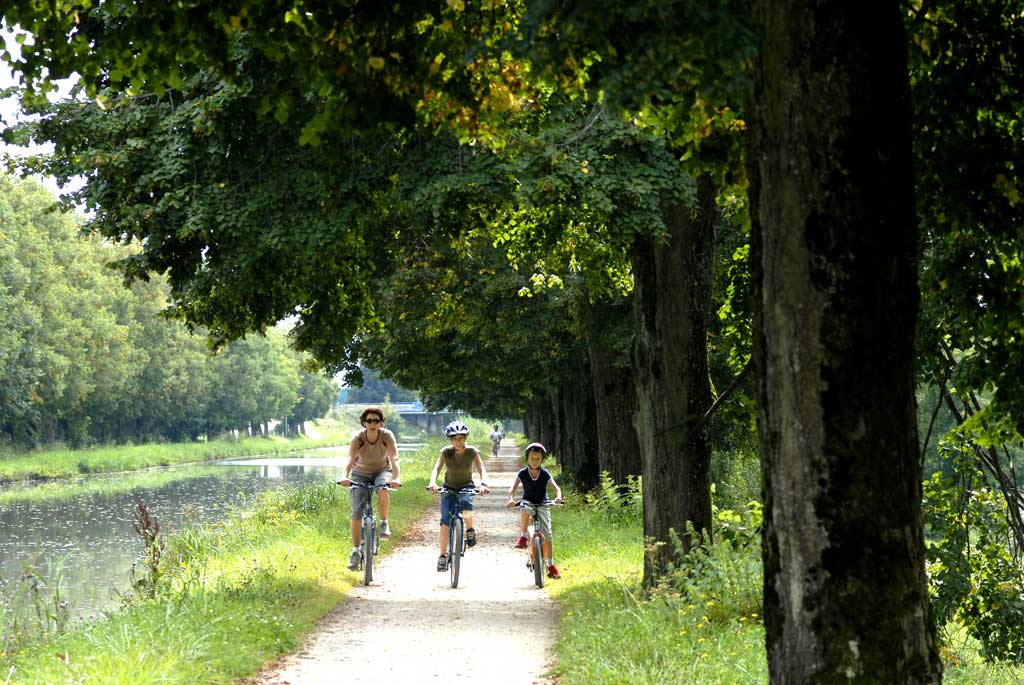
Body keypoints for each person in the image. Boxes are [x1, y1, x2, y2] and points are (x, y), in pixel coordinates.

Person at [337, 406, 401, 571]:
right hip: (360, 473)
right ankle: (356, 551)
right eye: (369, 420)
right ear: (364, 422)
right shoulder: (358, 437)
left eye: (376, 420)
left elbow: (394, 457)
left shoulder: (387, 436)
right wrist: (345, 476)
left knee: (382, 488)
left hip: (382, 471)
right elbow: (350, 458)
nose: (372, 423)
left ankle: (384, 523)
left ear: (381, 422)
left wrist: (396, 477)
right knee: (356, 512)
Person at [427, 420, 490, 571]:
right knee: (444, 521)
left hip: (466, 486)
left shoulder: (472, 452)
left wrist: (483, 484)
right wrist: (433, 483)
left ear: (465, 438)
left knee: (466, 505)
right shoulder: (445, 452)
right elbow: (436, 469)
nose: (458, 441)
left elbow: (482, 470)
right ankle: (442, 556)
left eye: (461, 438)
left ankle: (469, 530)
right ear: (451, 440)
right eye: (455, 438)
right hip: (449, 487)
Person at [507, 442, 563, 579]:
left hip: (543, 503)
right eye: (532, 458)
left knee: (548, 535)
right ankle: (524, 536)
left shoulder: (544, 473)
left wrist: (558, 498)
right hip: (528, 502)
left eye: (538, 458)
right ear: (527, 458)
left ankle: (550, 565)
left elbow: (556, 489)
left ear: (542, 459)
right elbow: (512, 489)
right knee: (525, 507)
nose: (534, 461)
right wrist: (511, 499)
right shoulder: (523, 473)